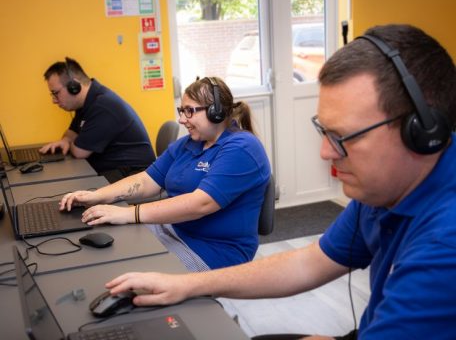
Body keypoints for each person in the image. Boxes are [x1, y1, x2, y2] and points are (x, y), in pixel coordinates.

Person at [102, 24, 456, 340]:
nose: (325, 153)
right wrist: (184, 285)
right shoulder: (383, 192)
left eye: (344, 136)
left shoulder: (445, 243)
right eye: (324, 131)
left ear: (423, 133)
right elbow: (311, 262)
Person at [60, 76, 271, 271]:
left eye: (190, 111)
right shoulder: (189, 144)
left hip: (214, 250)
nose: (182, 119)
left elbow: (201, 204)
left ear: (216, 112)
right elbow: (146, 180)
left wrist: (128, 214)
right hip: (173, 230)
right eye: (182, 110)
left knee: (133, 276)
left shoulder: (242, 147)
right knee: (110, 249)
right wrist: (97, 195)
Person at [40, 57, 155, 183]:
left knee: (74, 195)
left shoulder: (102, 106)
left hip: (134, 175)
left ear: (74, 86)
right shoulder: (86, 102)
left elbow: (79, 152)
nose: (54, 100)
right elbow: (71, 133)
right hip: (116, 169)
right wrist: (66, 140)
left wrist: (73, 142)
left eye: (56, 93)